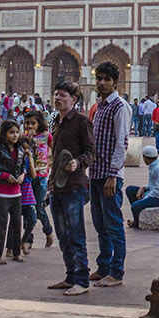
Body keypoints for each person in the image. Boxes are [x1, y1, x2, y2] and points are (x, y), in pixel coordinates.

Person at [48, 81, 93, 295]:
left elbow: (92, 152)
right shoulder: (55, 121)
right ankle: (70, 276)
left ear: (73, 99)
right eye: (56, 95)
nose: (57, 98)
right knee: (62, 234)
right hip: (57, 186)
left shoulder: (82, 122)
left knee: (76, 234)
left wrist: (78, 162)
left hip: (74, 185)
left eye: (62, 95)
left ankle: (82, 281)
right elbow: (54, 155)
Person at [89, 61, 130, 287]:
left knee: (113, 224)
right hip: (96, 172)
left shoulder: (119, 107)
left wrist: (114, 174)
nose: (102, 83)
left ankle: (116, 272)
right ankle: (104, 266)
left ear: (116, 82)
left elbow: (121, 142)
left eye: (107, 79)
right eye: (99, 78)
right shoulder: (101, 106)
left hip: (109, 176)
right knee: (99, 224)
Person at [0, 119, 27, 263]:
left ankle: (16, 252)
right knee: (3, 222)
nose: (15, 136)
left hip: (16, 192)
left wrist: (22, 175)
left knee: (17, 222)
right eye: (11, 133)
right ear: (4, 135)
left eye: (17, 132)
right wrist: (4, 176)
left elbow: (23, 167)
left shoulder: (20, 150)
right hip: (2, 192)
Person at [21, 110, 53, 252]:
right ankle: (28, 239)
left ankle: (48, 230)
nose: (30, 126)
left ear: (40, 123)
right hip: (27, 178)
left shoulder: (47, 137)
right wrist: (28, 139)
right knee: (28, 208)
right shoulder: (23, 138)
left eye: (33, 123)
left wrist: (51, 161)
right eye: (27, 123)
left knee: (39, 208)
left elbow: (56, 149)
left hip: (41, 177)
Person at [125, 144, 159, 227]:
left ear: (145, 158)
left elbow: (158, 190)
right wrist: (143, 188)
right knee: (130, 190)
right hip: (155, 193)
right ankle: (140, 214)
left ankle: (137, 222)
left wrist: (145, 198)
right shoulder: (155, 164)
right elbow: (154, 184)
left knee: (135, 206)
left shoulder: (157, 168)